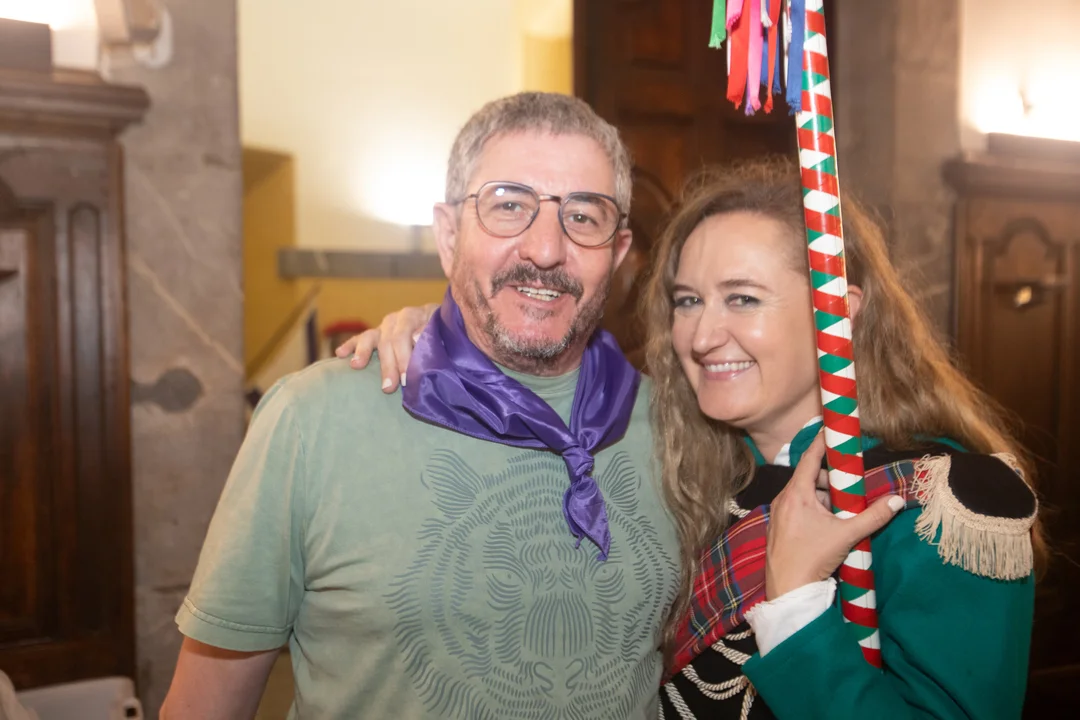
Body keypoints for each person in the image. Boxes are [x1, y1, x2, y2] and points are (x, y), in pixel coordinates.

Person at [340, 157, 1041, 719]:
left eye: (743, 298)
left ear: (838, 315)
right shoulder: (681, 463)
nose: (702, 336)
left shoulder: (936, 504)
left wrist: (796, 606)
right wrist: (437, 337)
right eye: (687, 301)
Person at [160, 92, 684, 719]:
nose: (546, 249)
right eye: (508, 205)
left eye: (583, 216)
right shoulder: (312, 421)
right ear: (448, 234)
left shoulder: (678, 432)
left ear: (618, 253)